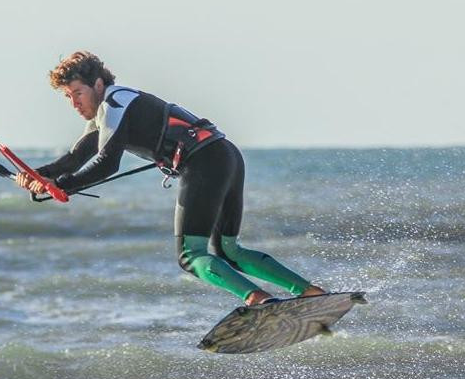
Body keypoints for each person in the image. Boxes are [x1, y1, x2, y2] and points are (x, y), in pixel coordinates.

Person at [16, 51, 326, 306]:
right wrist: (38, 176)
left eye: (78, 94)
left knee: (191, 255)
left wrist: (63, 185)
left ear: (98, 85)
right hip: (226, 155)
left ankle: (258, 301)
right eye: (68, 97)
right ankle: (309, 293)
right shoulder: (110, 110)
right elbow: (74, 158)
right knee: (229, 248)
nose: (74, 103)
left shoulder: (114, 103)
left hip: (205, 163)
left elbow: (106, 163)